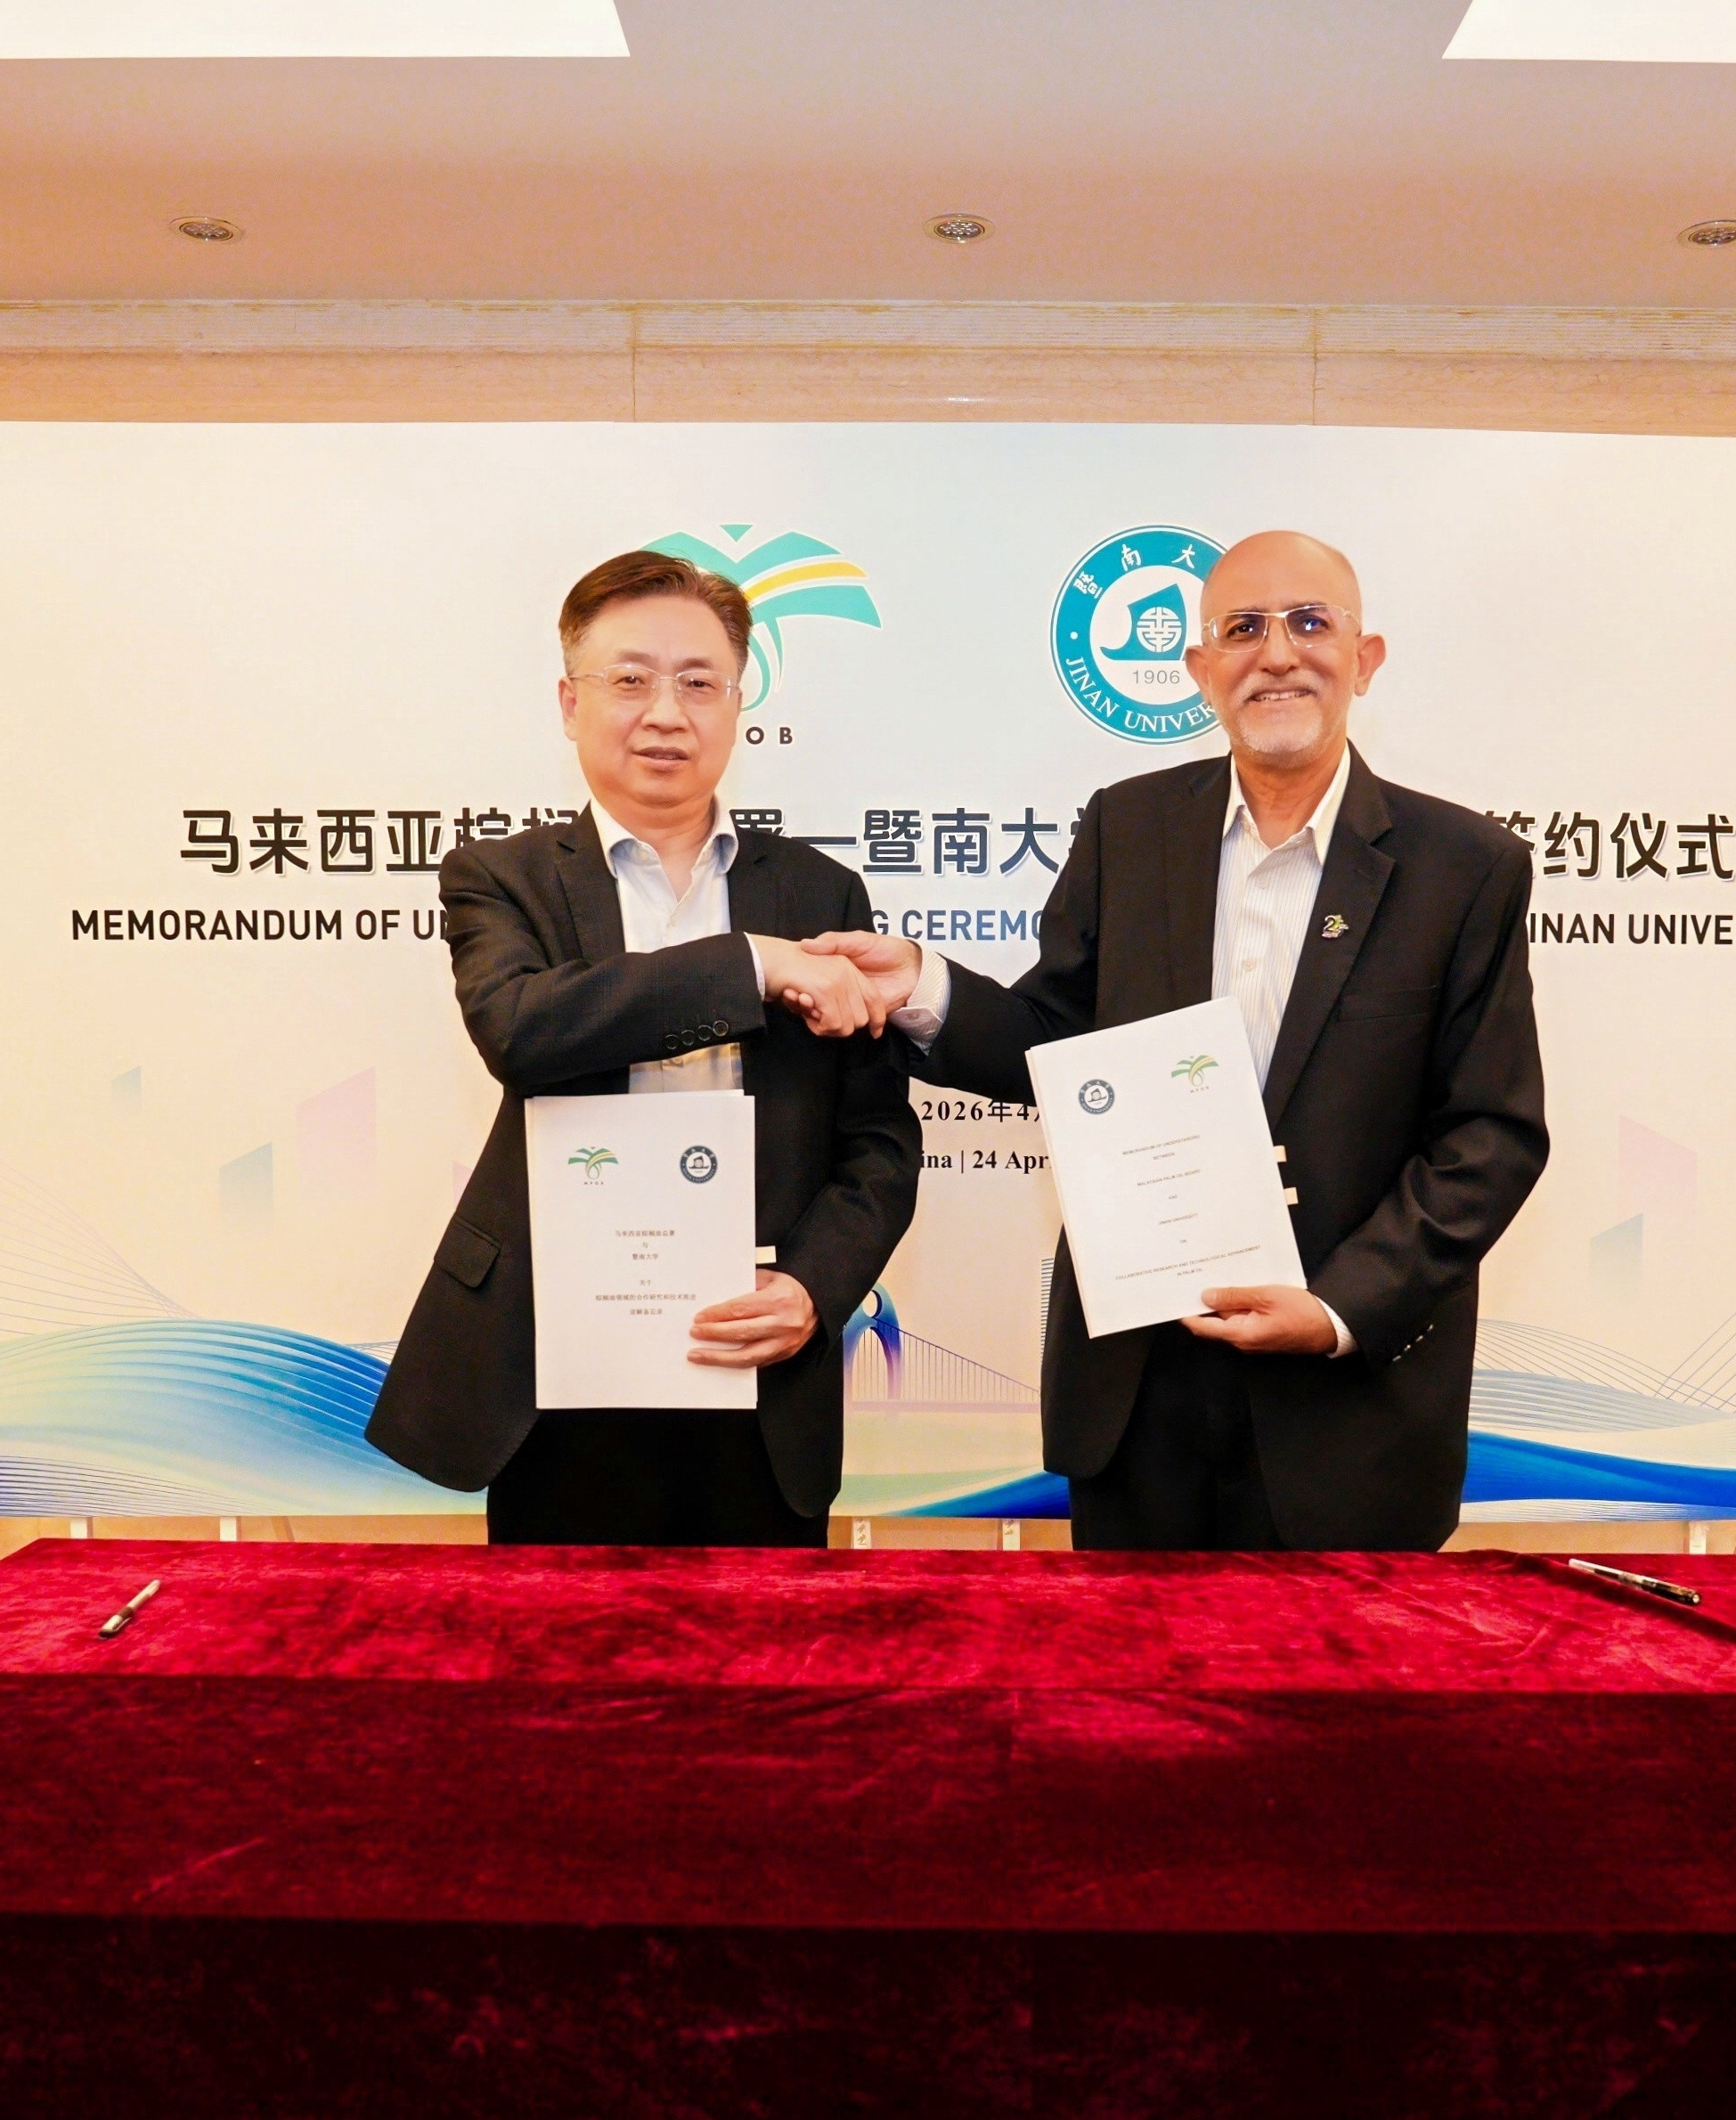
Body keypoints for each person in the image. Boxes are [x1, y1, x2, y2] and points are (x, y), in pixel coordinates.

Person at [810, 530, 1545, 1550]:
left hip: (1348, 1412)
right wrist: (924, 986)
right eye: (1241, 628)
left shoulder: (1462, 865)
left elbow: (1488, 1136)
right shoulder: (1130, 828)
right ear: (1200, 668)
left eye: (1308, 623)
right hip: (1138, 1391)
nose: (1276, 654)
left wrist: (1336, 1308)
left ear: (1363, 658)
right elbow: (1056, 1042)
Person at [366, 550, 917, 1545]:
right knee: (558, 1638)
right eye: (631, 679)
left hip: (755, 1356)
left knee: (765, 1639)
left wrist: (812, 1287)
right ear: (569, 702)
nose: (667, 713)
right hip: (554, 1361)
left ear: (738, 706)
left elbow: (876, 1141)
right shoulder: (502, 876)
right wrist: (750, 965)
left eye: (699, 683)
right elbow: (521, 1029)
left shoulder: (818, 893)